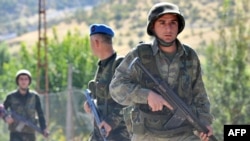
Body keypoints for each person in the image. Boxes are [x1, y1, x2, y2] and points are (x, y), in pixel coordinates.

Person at [109, 2, 215, 141]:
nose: (168, 28)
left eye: (173, 23)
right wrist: (147, 95)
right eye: (162, 23)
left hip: (183, 133)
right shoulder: (140, 54)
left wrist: (204, 122)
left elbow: (200, 95)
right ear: (153, 26)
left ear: (179, 26)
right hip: (147, 134)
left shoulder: (189, 56)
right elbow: (116, 88)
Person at [83, 23, 131, 141]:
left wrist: (110, 122)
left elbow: (129, 99)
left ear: (96, 42)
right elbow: (103, 98)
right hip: (100, 133)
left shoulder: (119, 64)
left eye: (91, 43)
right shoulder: (102, 66)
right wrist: (91, 103)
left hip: (119, 134)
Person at [3, 69, 48, 141]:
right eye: (21, 79)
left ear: (29, 81)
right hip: (15, 133)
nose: (23, 81)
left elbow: (40, 114)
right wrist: (6, 117)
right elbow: (2, 109)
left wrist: (44, 128)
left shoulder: (34, 96)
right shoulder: (11, 96)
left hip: (30, 133)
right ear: (17, 81)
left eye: (26, 79)